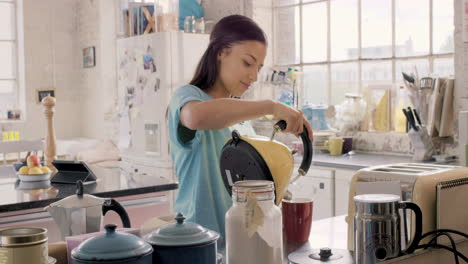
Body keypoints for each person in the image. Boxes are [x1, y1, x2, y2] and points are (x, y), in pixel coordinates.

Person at [167, 15, 313, 246]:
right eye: (247, 62)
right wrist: (272, 107)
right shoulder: (186, 98)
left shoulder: (242, 121)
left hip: (238, 245)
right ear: (221, 52)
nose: (254, 76)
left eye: (259, 67)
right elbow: (196, 117)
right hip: (197, 243)